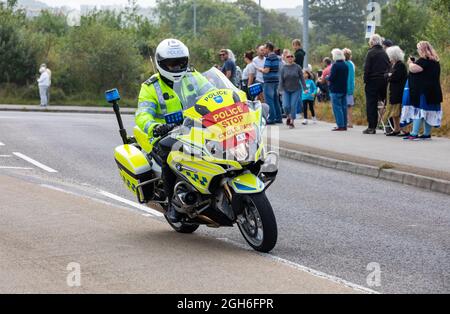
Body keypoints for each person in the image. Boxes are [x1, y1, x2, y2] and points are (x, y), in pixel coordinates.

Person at [136, 39, 214, 222]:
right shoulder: (150, 87)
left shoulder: (193, 77)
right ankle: (172, 205)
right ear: (161, 63)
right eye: (171, 64)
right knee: (169, 154)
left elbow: (213, 93)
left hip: (195, 126)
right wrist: (155, 127)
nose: (176, 67)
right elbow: (142, 114)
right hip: (166, 133)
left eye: (180, 62)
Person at [401, 41, 443, 141]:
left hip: (424, 91)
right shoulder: (435, 61)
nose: (417, 50)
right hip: (434, 91)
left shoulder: (423, 60)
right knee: (429, 111)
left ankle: (414, 133)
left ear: (422, 50)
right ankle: (426, 133)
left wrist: (410, 63)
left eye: (418, 49)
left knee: (419, 111)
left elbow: (414, 69)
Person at [363, 34, 390, 134]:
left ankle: (371, 127)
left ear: (372, 42)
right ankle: (389, 125)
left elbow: (367, 68)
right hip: (384, 81)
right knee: (385, 103)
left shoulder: (370, 53)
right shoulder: (384, 53)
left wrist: (365, 81)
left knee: (371, 104)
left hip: (372, 81)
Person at [279, 50, 307, 129]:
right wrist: (280, 90)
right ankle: (288, 116)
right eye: (288, 56)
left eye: (291, 56)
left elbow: (302, 78)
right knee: (285, 106)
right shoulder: (283, 68)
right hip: (286, 89)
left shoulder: (297, 67)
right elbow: (281, 79)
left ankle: (292, 121)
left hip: (296, 89)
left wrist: (305, 88)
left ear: (294, 58)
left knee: (293, 105)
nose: (290, 58)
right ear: (285, 58)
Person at [384, 46, 408, 136]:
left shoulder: (400, 65)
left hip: (399, 91)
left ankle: (404, 130)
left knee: (399, 111)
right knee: (394, 112)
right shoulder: (392, 65)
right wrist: (389, 75)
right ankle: (396, 129)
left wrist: (390, 75)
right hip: (392, 90)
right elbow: (385, 75)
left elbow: (395, 77)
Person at [256, 42, 282, 124]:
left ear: (268, 48)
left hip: (269, 81)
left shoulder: (269, 58)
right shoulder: (276, 57)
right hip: (275, 80)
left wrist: (260, 69)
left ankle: (271, 118)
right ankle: (279, 117)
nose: (264, 51)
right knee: (275, 99)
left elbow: (266, 70)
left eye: (264, 49)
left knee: (269, 100)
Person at [328, 49, 349, 131]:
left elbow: (332, 78)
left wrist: (327, 77)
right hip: (344, 89)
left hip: (335, 89)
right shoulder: (345, 65)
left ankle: (340, 125)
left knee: (337, 108)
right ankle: (344, 125)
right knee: (344, 107)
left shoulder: (335, 65)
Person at [343, 48, 355, 128]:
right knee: (350, 106)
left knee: (343, 105)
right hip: (350, 87)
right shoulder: (351, 64)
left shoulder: (343, 64)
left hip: (343, 87)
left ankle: (345, 122)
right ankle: (350, 123)